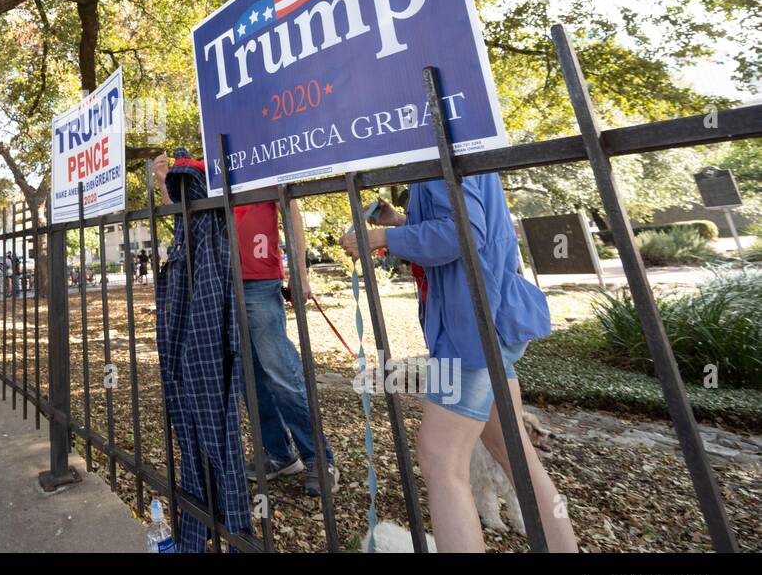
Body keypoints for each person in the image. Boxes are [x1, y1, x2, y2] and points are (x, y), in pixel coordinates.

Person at [340, 174, 578, 553]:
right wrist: (399, 223)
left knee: (440, 460)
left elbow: (462, 233)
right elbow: (463, 224)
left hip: (469, 333)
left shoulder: (435, 138)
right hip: (491, 323)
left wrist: (381, 239)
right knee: (517, 456)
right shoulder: (458, 134)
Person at [153, 154, 337, 498]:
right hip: (219, 281)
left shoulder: (263, 156)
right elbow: (186, 218)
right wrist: (165, 181)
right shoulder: (206, 167)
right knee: (247, 377)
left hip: (259, 281)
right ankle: (279, 454)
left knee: (280, 371)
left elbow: (290, 210)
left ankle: (318, 457)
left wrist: (300, 271)